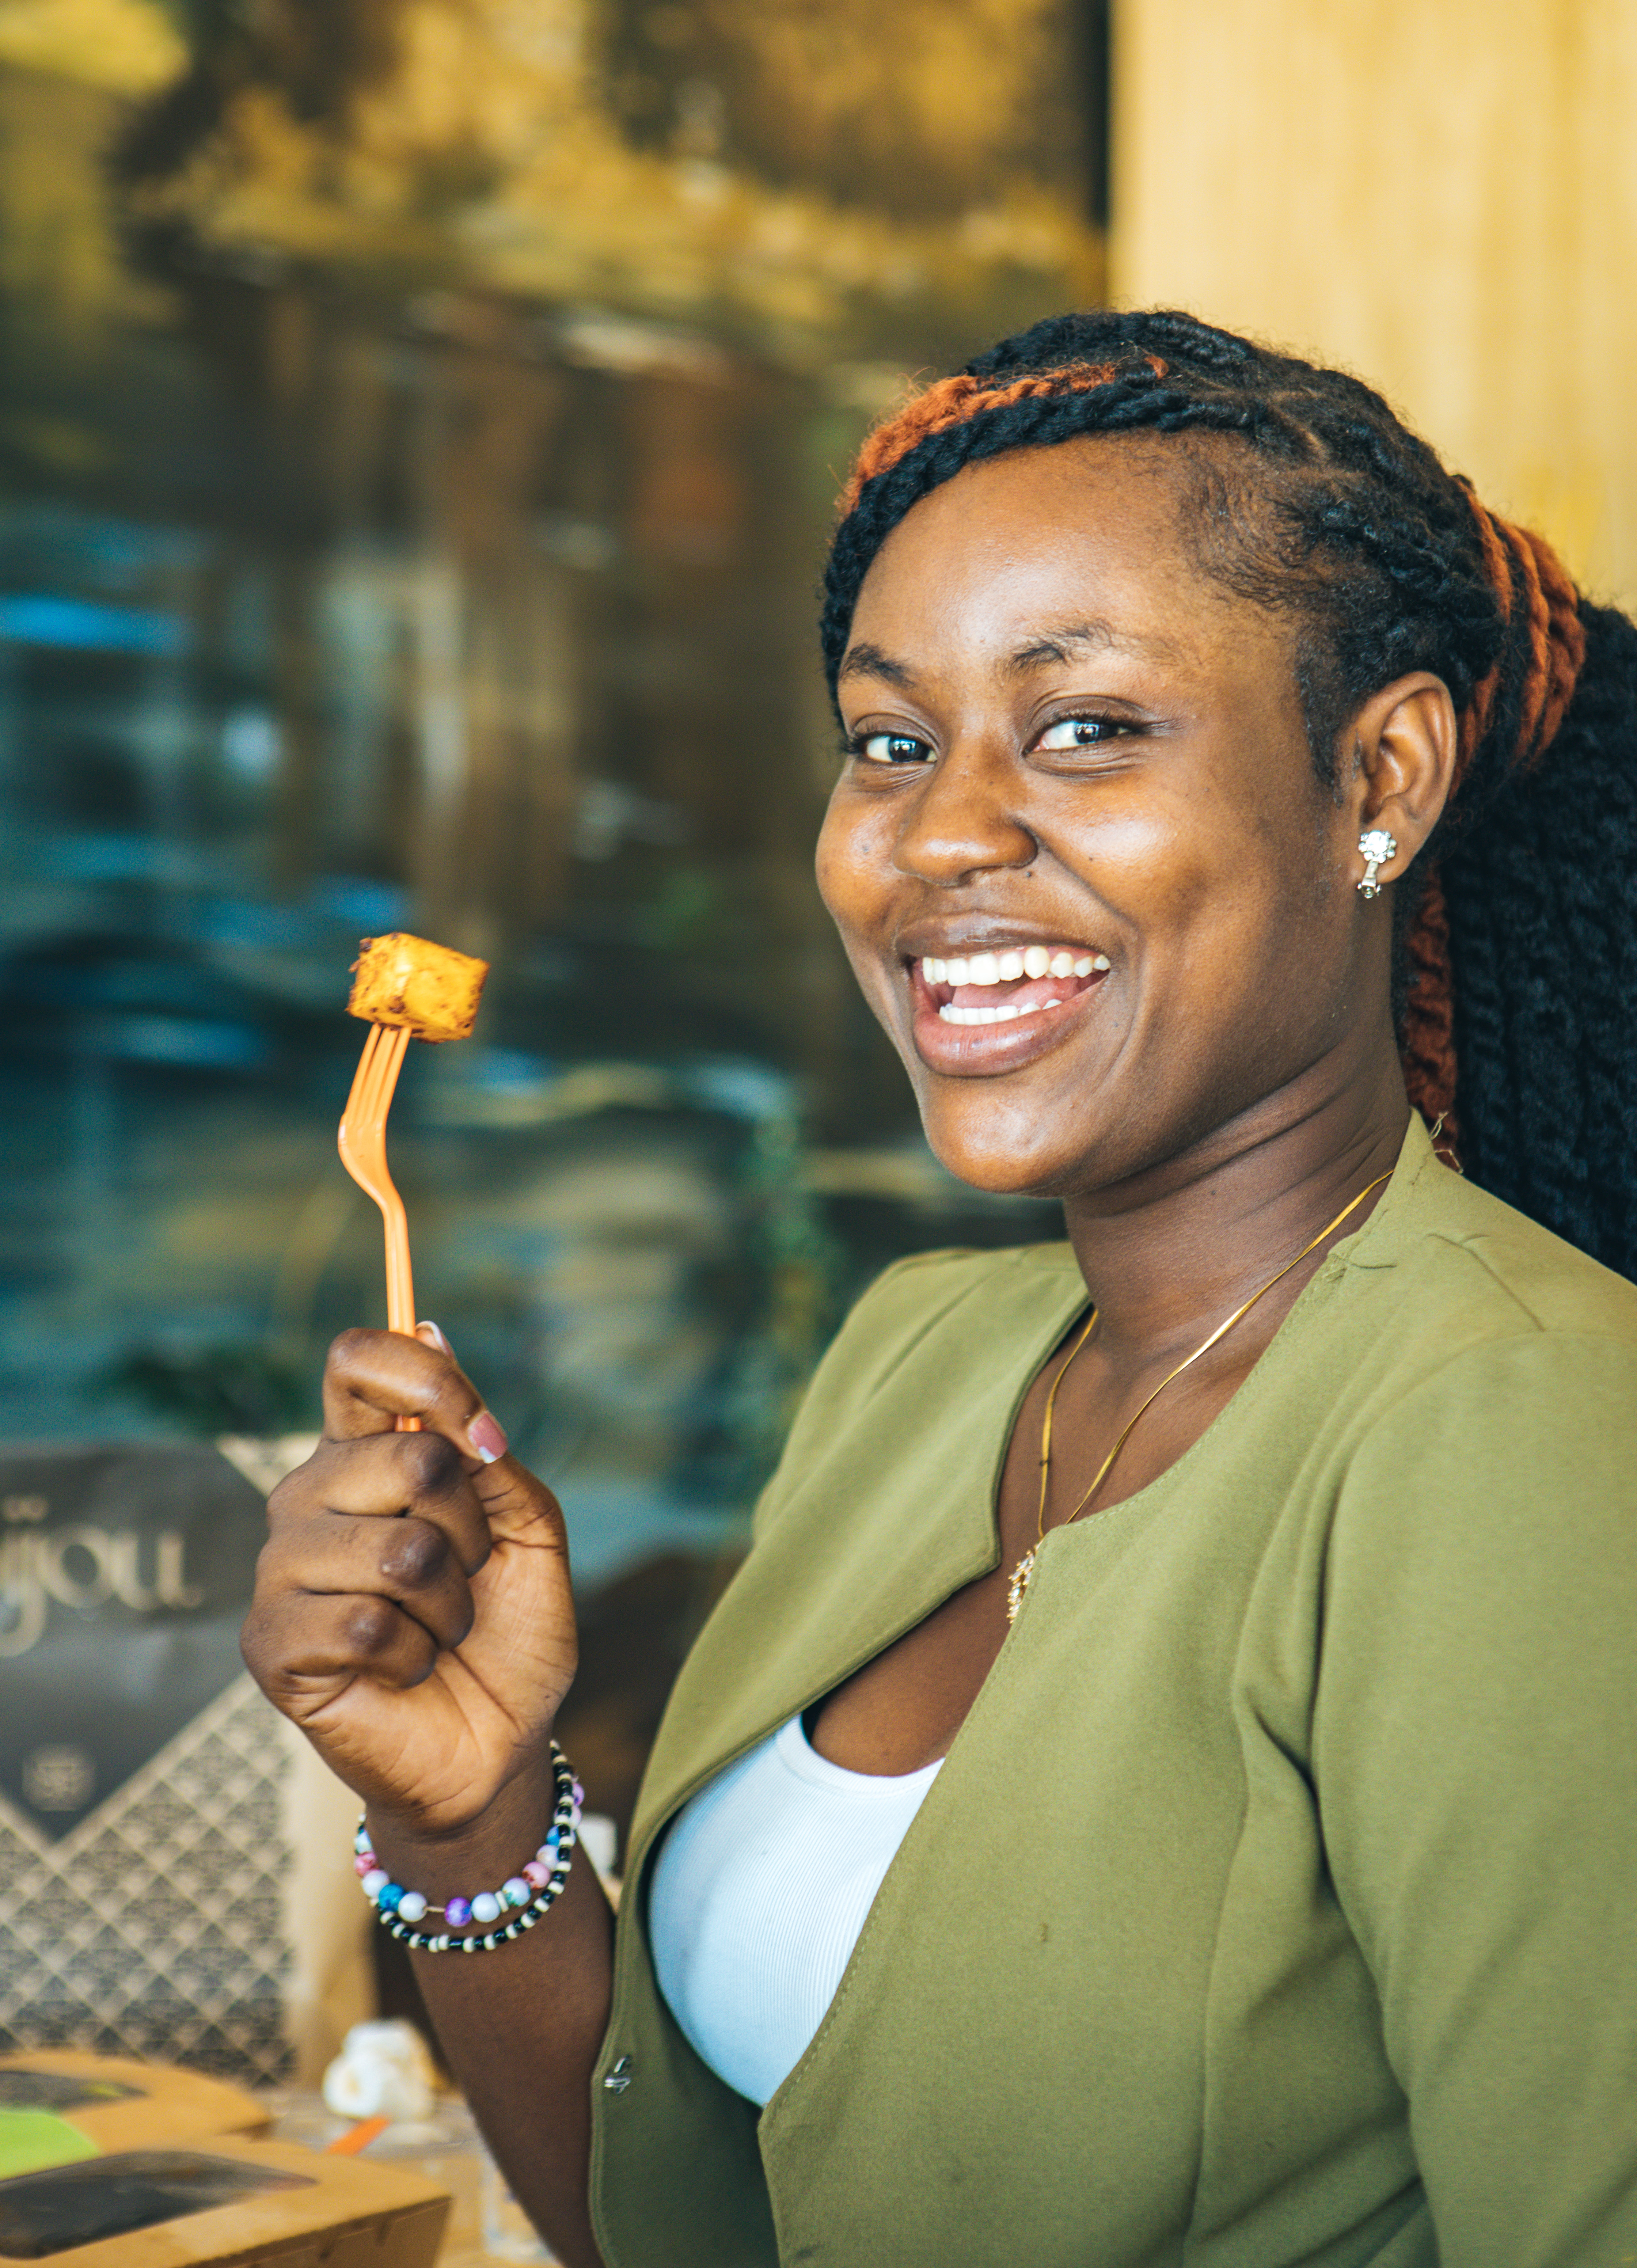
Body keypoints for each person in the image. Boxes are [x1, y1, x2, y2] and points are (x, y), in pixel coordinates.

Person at [243, 311, 1637, 2267]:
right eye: (891, 742)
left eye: (1086, 728)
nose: (942, 835)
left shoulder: (1518, 1432)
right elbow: (696, 2235)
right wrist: (468, 1809)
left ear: (1378, 779)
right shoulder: (921, 1360)